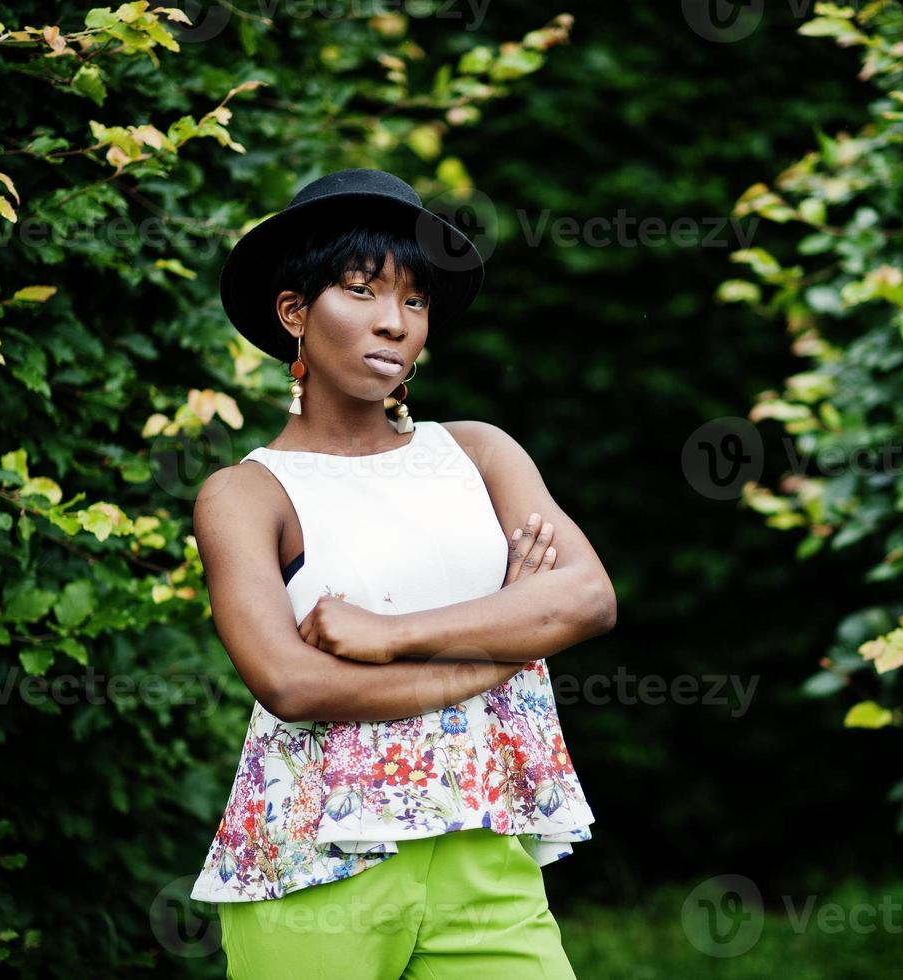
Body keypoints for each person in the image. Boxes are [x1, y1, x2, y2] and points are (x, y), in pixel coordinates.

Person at [189, 169, 617, 979]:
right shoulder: (246, 494)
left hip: (482, 847)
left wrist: (389, 637)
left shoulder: (480, 453)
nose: (392, 322)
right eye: (361, 291)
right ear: (294, 313)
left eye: (414, 301)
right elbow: (292, 684)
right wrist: (505, 635)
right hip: (316, 862)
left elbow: (587, 598)